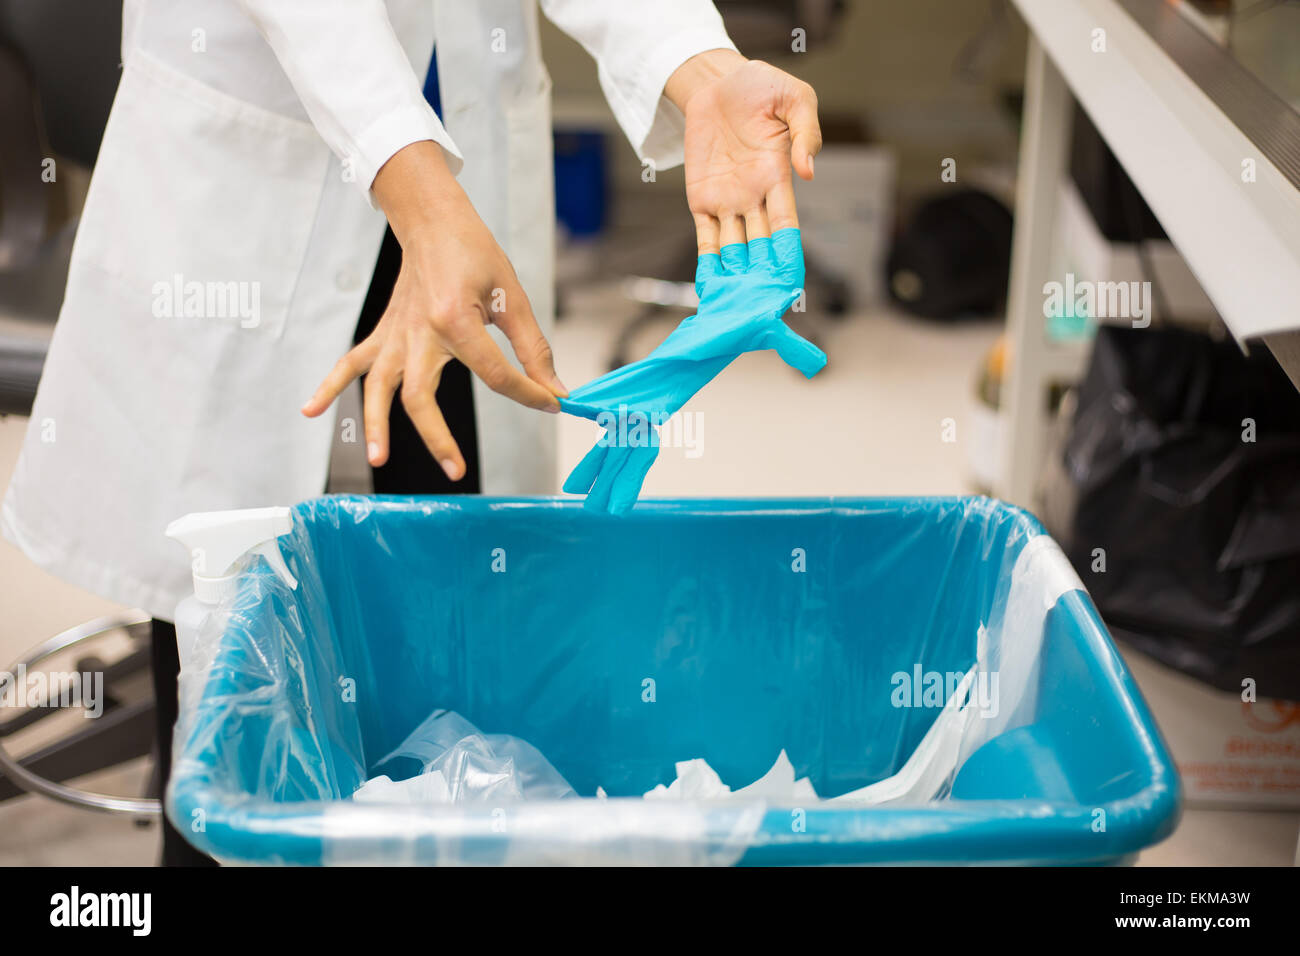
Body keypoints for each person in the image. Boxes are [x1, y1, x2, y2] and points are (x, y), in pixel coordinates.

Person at [1, 1, 821, 864]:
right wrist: (418, 197)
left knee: (457, 621)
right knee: (232, 612)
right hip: (267, 171)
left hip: (460, 160)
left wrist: (699, 67)